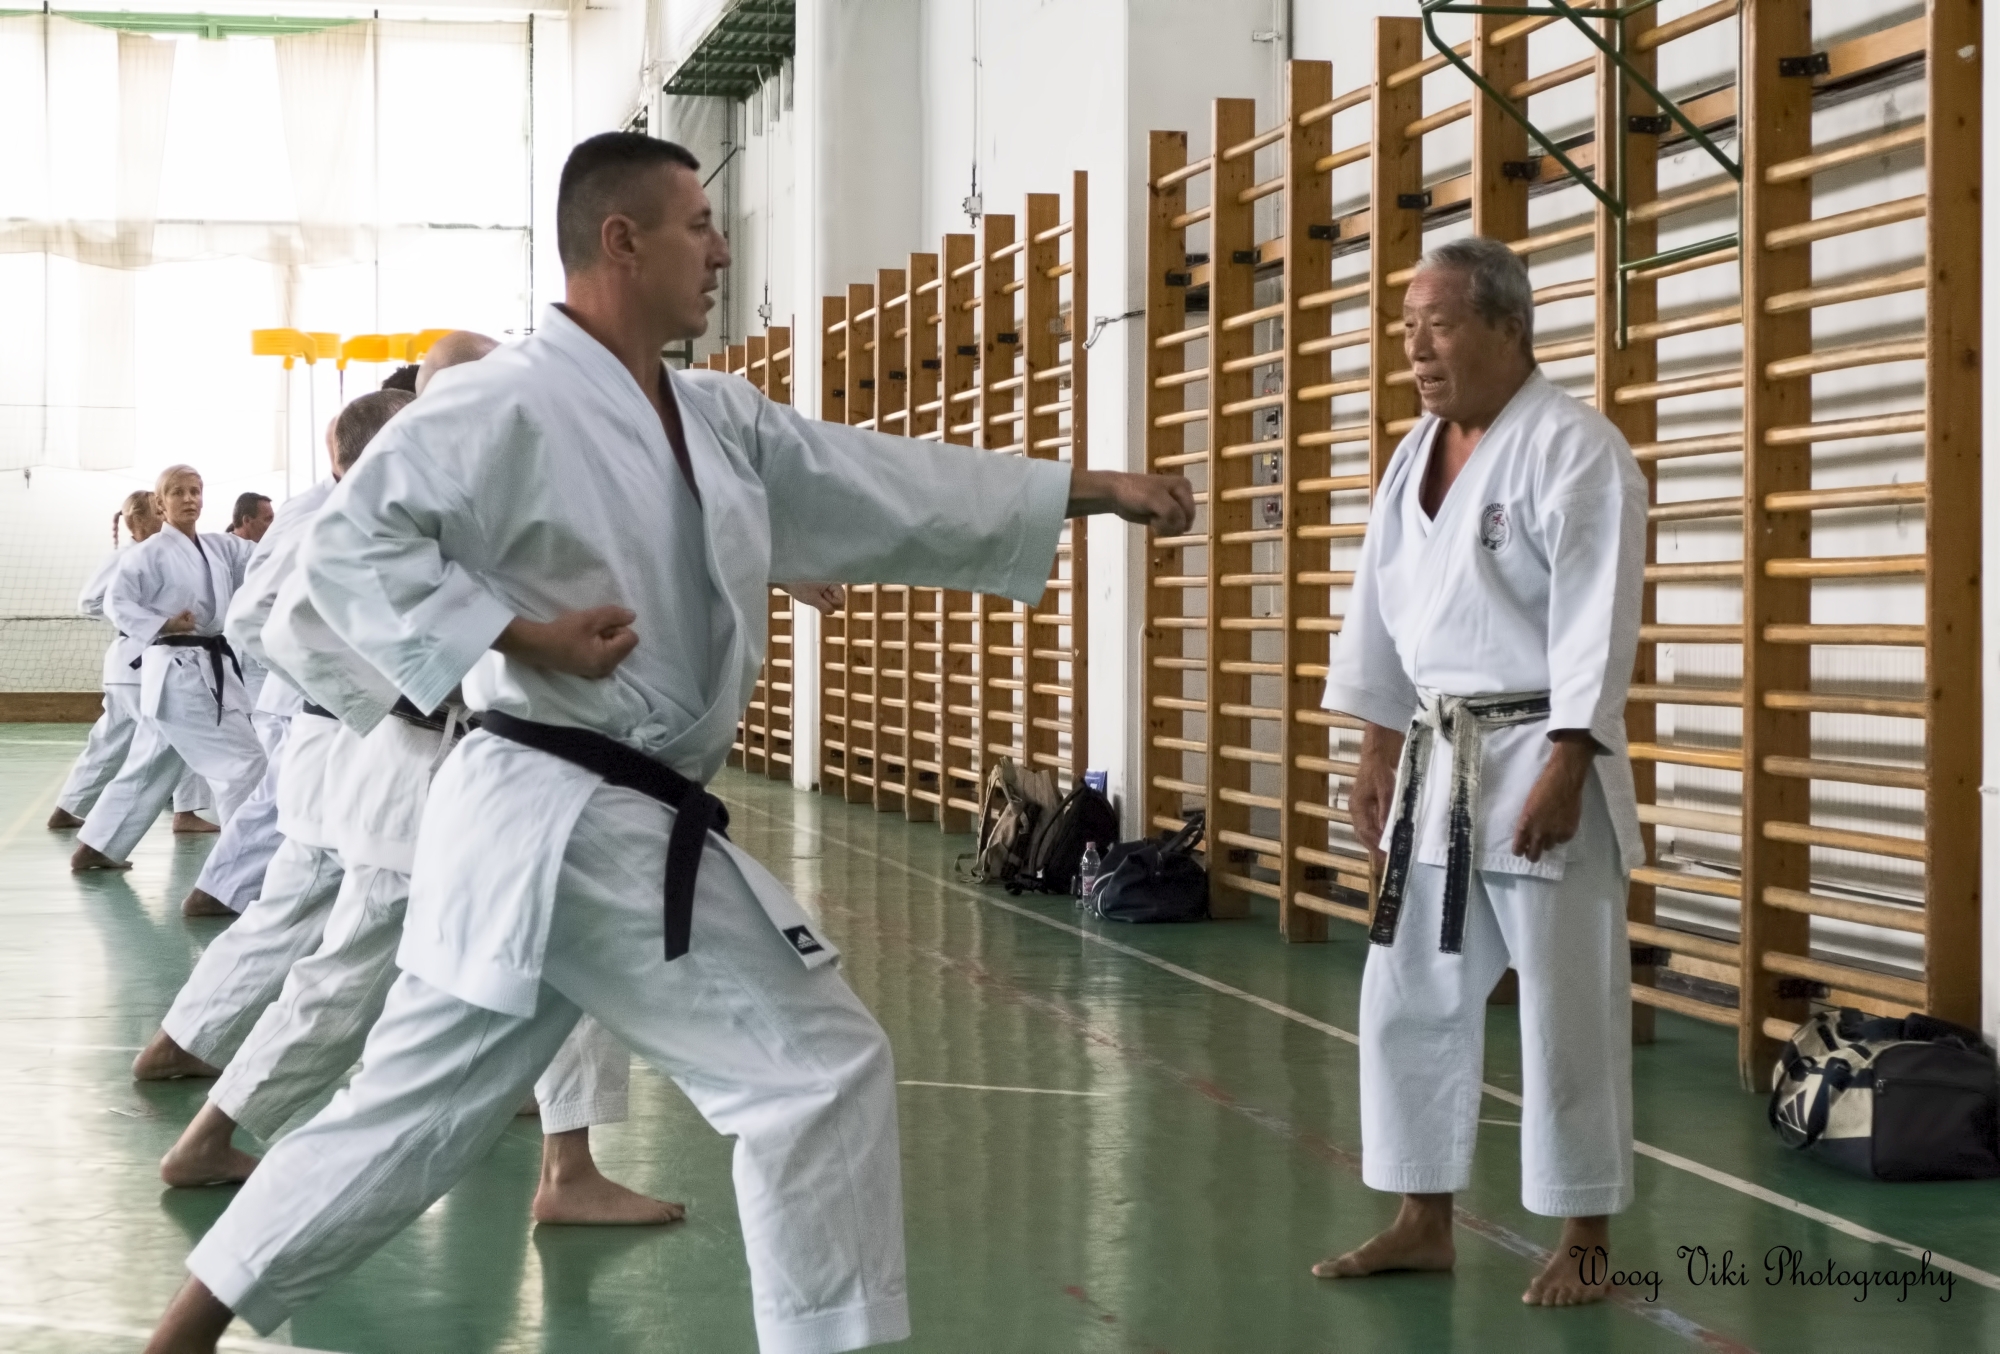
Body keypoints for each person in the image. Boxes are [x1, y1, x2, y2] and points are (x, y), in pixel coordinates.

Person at [145, 132, 1192, 1354]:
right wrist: (522, 634)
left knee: (402, 1113)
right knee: (818, 1068)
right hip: (574, 806)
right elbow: (346, 550)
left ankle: (182, 1333)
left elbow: (872, 480)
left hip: (549, 826)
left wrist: (1083, 489)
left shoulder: (708, 413)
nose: (721, 250)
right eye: (697, 225)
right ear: (621, 240)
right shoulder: (504, 395)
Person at [160, 346, 675, 1229]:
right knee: (350, 977)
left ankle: (569, 1165)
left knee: (552, 947)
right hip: (418, 776)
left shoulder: (476, 489)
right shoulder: (397, 500)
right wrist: (411, 689)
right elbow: (280, 626)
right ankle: (214, 1137)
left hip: (474, 776)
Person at [1310, 236, 1646, 1307]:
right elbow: (1377, 610)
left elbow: (1597, 616)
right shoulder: (1412, 453)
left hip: (1542, 751)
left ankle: (1585, 1232)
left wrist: (1569, 761)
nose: (1416, 348)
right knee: (1406, 992)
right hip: (1437, 757)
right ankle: (1422, 1218)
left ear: (1508, 327)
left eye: (1440, 325)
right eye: (1406, 328)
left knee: (1565, 1004)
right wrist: (1374, 744)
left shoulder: (1573, 448)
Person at [127, 402, 410, 1078]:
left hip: (353, 734)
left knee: (314, 901)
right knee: (331, 904)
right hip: (346, 734)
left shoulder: (366, 506)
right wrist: (373, 705)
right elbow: (256, 621)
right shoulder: (330, 515)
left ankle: (189, 1045)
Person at [72, 467, 267, 872]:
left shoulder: (218, 547)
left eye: (195, 491)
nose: (189, 498)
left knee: (152, 764)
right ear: (160, 504)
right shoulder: (146, 554)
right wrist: (162, 624)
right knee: (245, 764)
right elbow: (116, 603)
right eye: (178, 492)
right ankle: (242, 868)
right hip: (181, 670)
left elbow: (264, 556)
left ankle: (98, 847)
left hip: (196, 669)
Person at [48, 492, 215, 835]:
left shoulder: (155, 555)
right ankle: (184, 812)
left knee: (109, 742)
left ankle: (68, 808)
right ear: (138, 520)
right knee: (182, 733)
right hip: (141, 662)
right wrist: (142, 617)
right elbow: (90, 602)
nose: (164, 518)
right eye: (158, 512)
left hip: (129, 666)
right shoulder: (130, 556)